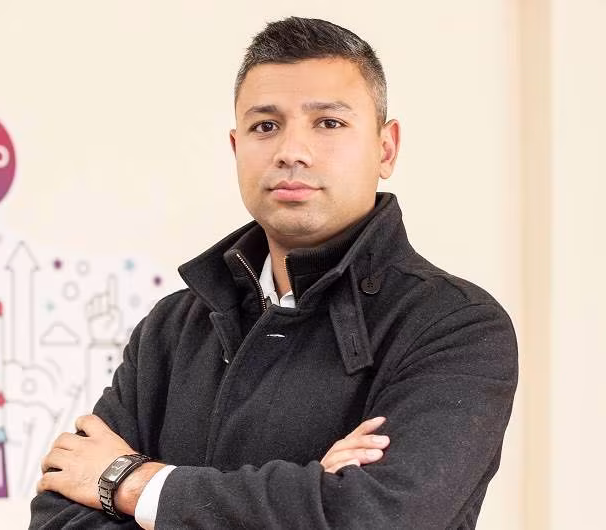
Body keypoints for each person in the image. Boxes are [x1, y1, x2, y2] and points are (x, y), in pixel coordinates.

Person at [29, 16, 517, 529]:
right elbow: (58, 513)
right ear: (236, 148)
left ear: (386, 148)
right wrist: (309, 498)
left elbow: (374, 518)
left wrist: (133, 484)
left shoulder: (454, 325)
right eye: (266, 126)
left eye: (328, 123)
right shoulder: (172, 328)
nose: (291, 152)